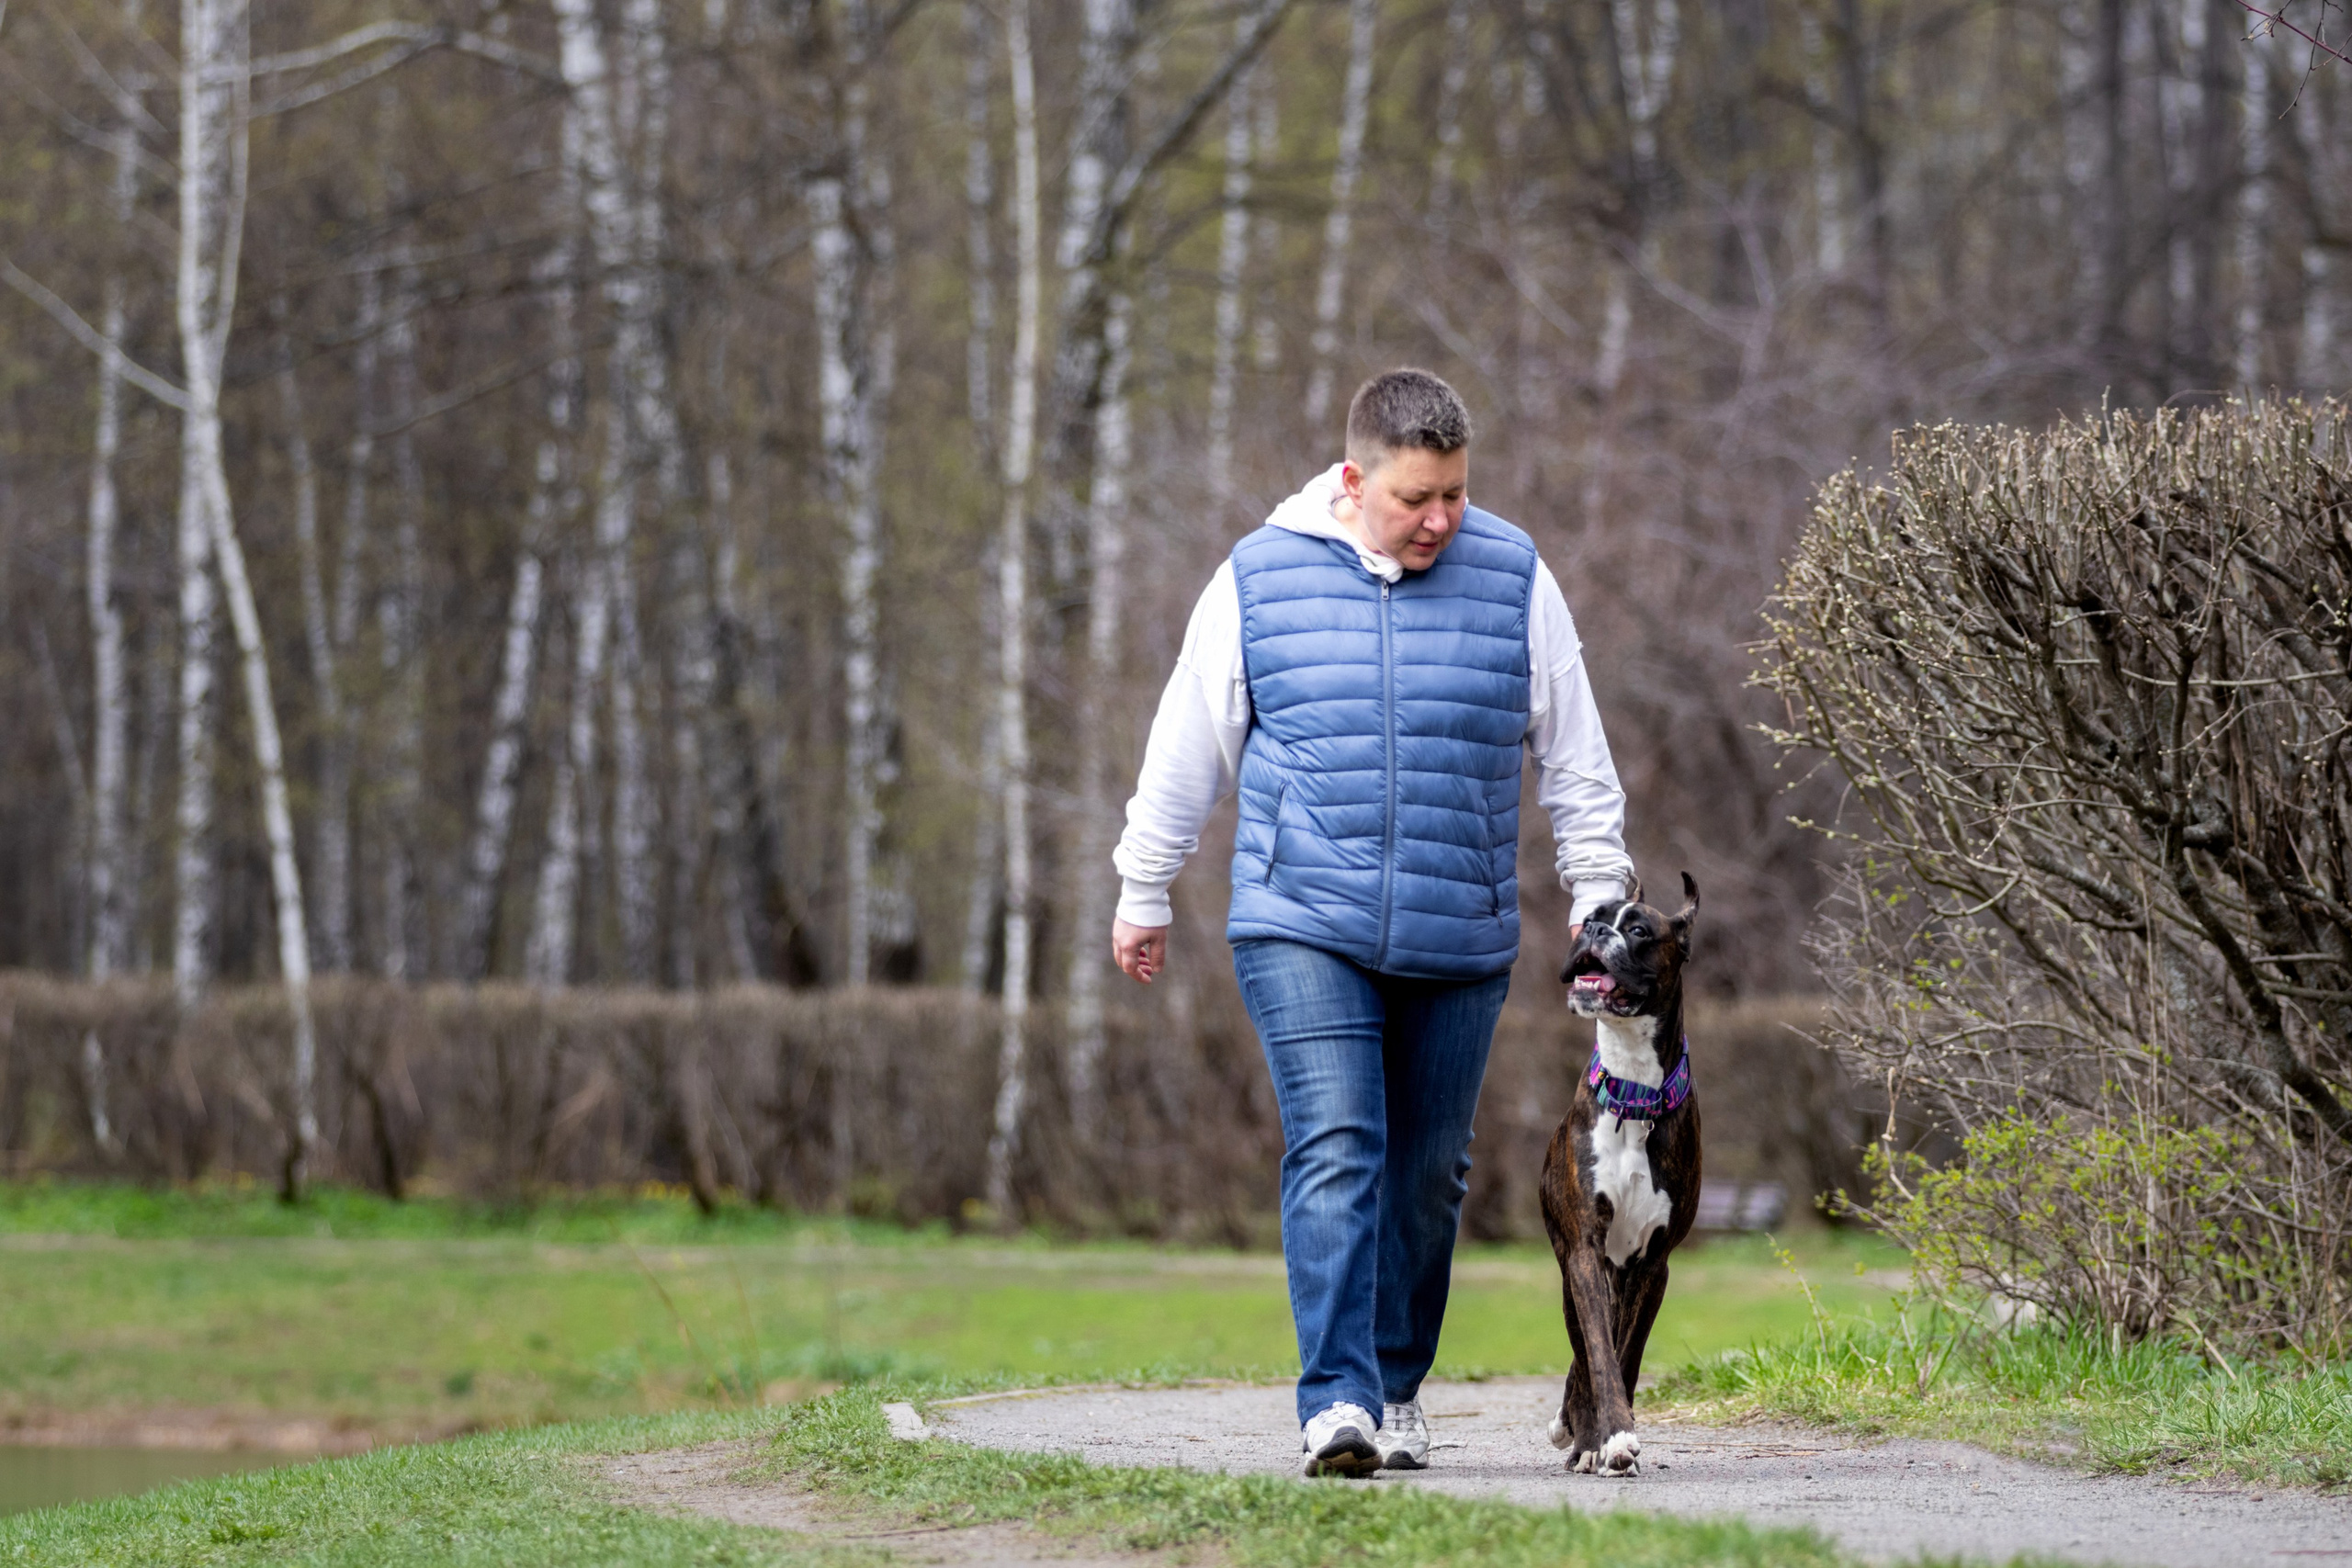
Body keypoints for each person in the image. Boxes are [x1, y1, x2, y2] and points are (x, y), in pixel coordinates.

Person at [1108, 368, 1634, 1476]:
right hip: (1301, 917)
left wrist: (1599, 898)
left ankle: (1394, 1384)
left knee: (1431, 1167)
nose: (1439, 519)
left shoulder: (1514, 577)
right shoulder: (1256, 577)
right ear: (1353, 483)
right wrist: (1143, 884)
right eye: (1414, 499)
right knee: (1339, 1141)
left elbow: (1577, 765)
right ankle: (1335, 1403)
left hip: (1459, 930)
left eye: (1453, 494)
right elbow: (1185, 745)